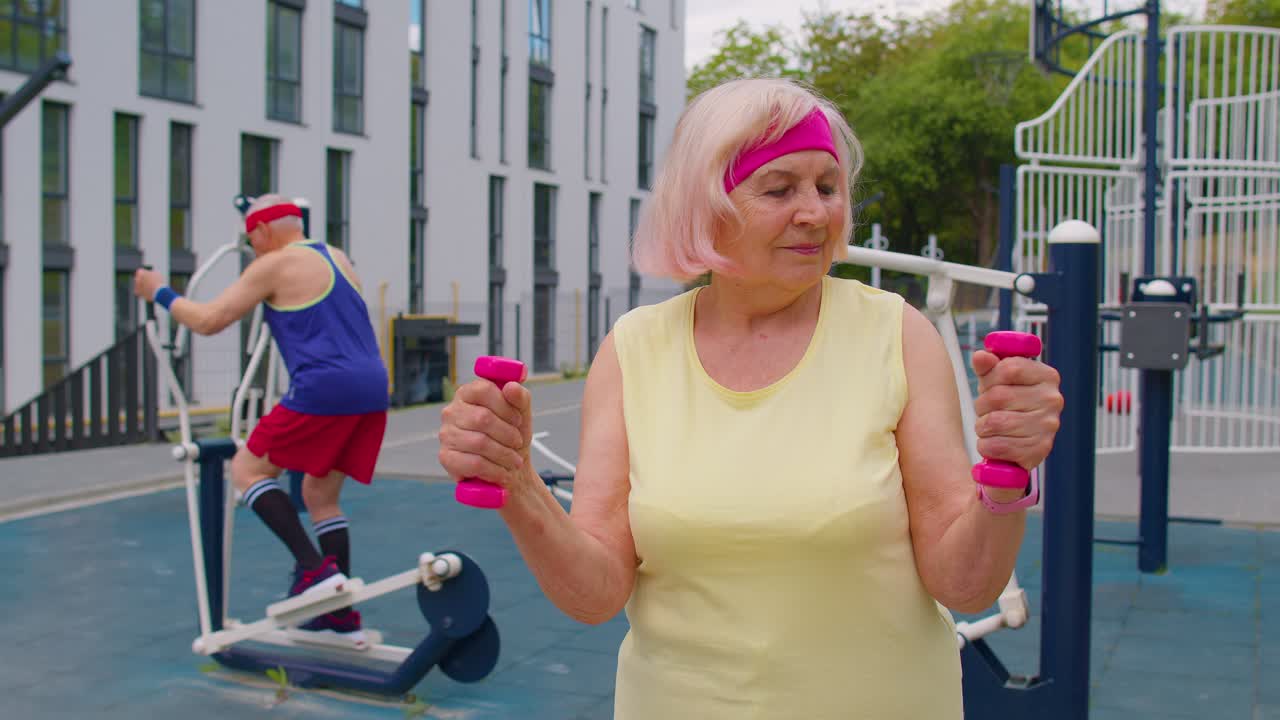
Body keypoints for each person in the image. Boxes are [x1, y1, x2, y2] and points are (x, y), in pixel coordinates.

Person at [437, 78, 1063, 718]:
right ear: (705, 209)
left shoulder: (896, 334)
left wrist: (1008, 472)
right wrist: (515, 482)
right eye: (780, 188)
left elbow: (966, 584)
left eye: (828, 186)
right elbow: (594, 594)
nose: (816, 212)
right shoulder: (635, 349)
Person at [134, 194, 389, 640]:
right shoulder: (335, 256)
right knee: (319, 493)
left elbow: (210, 319)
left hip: (324, 386)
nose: (252, 250)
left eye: (252, 241)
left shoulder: (273, 264)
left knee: (247, 468)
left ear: (262, 231)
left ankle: (316, 573)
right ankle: (340, 616)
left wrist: (158, 291)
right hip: (371, 388)